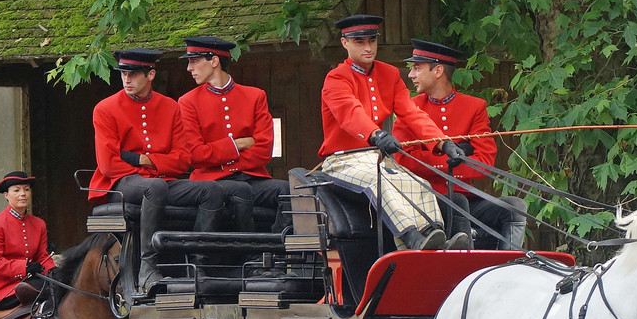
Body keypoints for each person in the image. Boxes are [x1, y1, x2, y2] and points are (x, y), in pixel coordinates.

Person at [316, 15, 472, 251]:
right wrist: (376, 135)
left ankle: (434, 234)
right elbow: (351, 113)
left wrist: (443, 143)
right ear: (344, 43)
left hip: (376, 159)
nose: (368, 48)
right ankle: (410, 238)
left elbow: (412, 114)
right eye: (360, 42)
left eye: (372, 40)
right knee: (379, 179)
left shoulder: (389, 74)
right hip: (343, 160)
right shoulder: (336, 77)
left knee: (416, 181)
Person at [87, 47, 228, 293]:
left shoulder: (171, 107)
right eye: (123, 74)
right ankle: (148, 267)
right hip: (122, 183)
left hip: (161, 182)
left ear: (150, 75)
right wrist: (157, 162)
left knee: (212, 191)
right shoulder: (105, 108)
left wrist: (142, 159)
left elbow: (183, 160)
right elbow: (109, 164)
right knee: (155, 187)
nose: (126, 80)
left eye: (133, 74)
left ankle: (199, 265)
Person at [402, 39, 518, 249]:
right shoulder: (409, 108)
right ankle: (466, 267)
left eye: (416, 68)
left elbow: (484, 162)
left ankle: (508, 267)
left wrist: (433, 159)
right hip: (423, 202)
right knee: (456, 201)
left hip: (465, 197)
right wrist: (449, 160)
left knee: (514, 207)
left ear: (437, 71)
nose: (411, 74)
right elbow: (404, 159)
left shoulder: (474, 107)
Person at [176, 35, 285, 231]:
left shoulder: (255, 96)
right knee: (240, 190)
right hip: (210, 183)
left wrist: (220, 159)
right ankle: (247, 253)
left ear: (214, 61)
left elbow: (263, 151)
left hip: (252, 179)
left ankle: (277, 251)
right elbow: (196, 155)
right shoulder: (188, 101)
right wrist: (239, 144)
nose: (189, 69)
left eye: (194, 61)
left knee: (289, 190)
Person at [0, 170, 56, 312]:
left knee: (61, 284)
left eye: (26, 189)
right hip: (0, 293)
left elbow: (42, 257)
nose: (23, 194)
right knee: (49, 288)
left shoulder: (39, 224)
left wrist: (53, 271)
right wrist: (24, 267)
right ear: (6, 195)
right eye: (16, 190)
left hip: (27, 284)